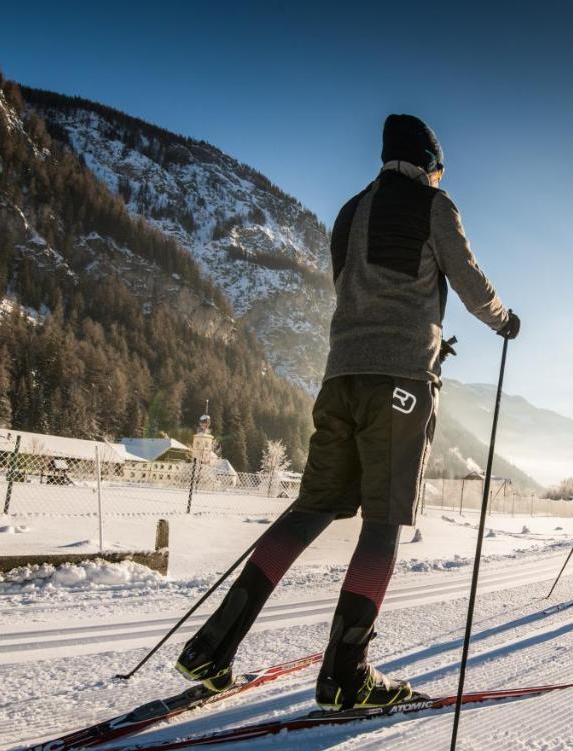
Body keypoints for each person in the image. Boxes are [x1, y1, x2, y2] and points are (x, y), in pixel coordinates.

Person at [176, 114, 520, 709]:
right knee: (382, 521)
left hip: (340, 378)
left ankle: (212, 646)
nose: (439, 179)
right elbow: (467, 280)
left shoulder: (349, 213)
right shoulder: (434, 205)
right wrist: (504, 320)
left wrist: (426, 337)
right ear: (428, 165)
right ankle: (345, 676)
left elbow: (362, 293)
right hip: (400, 386)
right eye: (439, 171)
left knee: (312, 508)